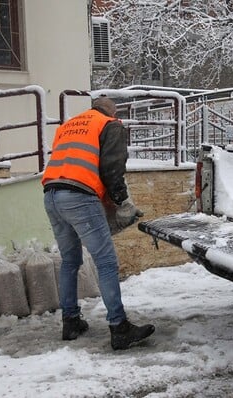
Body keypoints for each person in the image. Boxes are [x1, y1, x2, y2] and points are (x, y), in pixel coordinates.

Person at [42, 96, 155, 350]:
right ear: (110, 111)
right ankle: (119, 327)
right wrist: (121, 201)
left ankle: (70, 322)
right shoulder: (108, 124)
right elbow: (112, 168)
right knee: (105, 262)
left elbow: (77, 164)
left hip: (51, 195)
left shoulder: (69, 125)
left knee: (70, 261)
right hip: (79, 196)